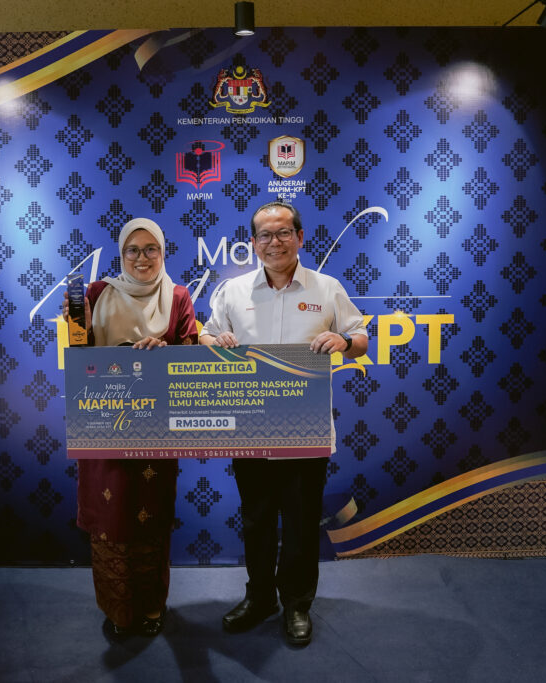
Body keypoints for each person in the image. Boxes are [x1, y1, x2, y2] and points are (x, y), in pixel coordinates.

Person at [200, 200, 368, 647]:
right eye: (264, 235)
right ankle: (259, 598)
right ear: (253, 243)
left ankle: (296, 603)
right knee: (256, 521)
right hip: (250, 427)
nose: (274, 242)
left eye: (283, 233)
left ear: (299, 237)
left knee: (300, 522)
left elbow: (361, 337)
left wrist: (343, 340)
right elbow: (205, 333)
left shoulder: (327, 288)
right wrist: (215, 339)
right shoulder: (234, 291)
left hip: (304, 430)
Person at [70, 217, 197, 640]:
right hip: (104, 426)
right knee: (112, 517)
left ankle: (152, 607)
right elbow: (78, 355)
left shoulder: (178, 297)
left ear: (163, 252)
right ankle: (118, 612)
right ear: (121, 254)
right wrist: (76, 323)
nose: (142, 258)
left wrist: (165, 351)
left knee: (150, 517)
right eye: (132, 250)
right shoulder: (96, 293)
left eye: (151, 249)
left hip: (156, 428)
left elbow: (191, 356)